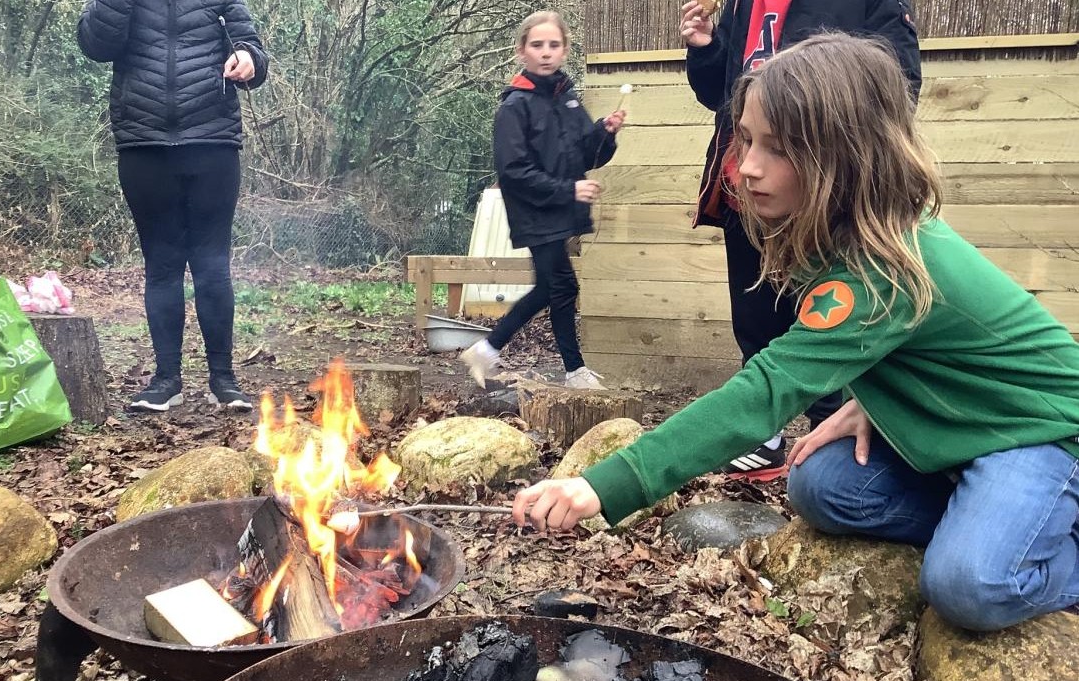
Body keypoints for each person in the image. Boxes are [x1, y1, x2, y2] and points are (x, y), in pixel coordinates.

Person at [511, 34, 1079, 632]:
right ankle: (987, 521)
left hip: (1041, 433)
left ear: (845, 159)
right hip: (965, 423)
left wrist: (604, 485)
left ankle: (1017, 542)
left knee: (970, 587)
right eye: (747, 139)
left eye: (775, 149)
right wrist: (875, 399)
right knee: (821, 486)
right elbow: (932, 350)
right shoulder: (848, 232)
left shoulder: (883, 268)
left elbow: (763, 393)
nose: (747, 164)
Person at [681, 0, 921, 480]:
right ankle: (762, 431)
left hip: (823, 182)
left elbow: (902, 81)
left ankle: (830, 424)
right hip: (744, 177)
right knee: (752, 305)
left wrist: (815, 123)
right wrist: (707, 49)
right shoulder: (741, 4)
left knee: (828, 303)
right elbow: (723, 96)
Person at [78, 0, 269, 412]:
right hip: (143, 146)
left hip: (213, 144)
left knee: (212, 265)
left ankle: (224, 380)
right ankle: (166, 380)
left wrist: (248, 59)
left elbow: (255, 54)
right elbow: (96, 45)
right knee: (162, 265)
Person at [459, 11, 625, 391]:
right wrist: (568, 190)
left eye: (554, 45)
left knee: (554, 286)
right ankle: (567, 368)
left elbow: (587, 157)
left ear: (565, 50)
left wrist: (605, 132)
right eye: (537, 45)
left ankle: (489, 349)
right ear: (522, 51)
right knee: (562, 285)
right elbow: (513, 170)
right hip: (535, 209)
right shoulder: (514, 105)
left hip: (561, 208)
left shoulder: (566, 98)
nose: (546, 52)